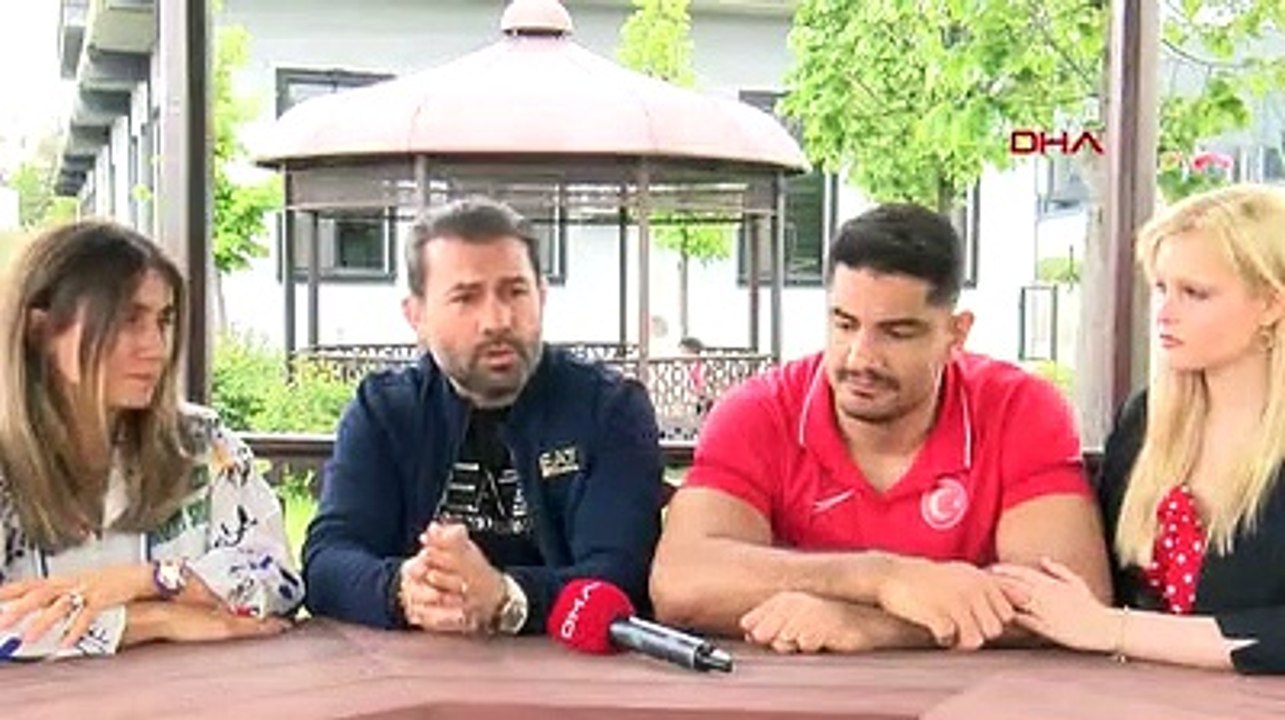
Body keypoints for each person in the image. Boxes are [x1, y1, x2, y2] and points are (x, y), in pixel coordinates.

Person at [650, 202, 1111, 654]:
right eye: (844, 324)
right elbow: (680, 585)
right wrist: (882, 578)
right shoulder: (758, 412)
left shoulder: (1019, 408)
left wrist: (875, 625)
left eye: (896, 333)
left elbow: (1072, 597)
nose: (860, 357)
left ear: (956, 333)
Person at [303, 197, 661, 636]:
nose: (497, 320)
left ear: (542, 296)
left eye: (515, 292)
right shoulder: (386, 411)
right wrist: (403, 590)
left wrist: (507, 597)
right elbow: (326, 561)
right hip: (412, 664)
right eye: (466, 298)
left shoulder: (608, 408)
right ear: (416, 315)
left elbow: (622, 573)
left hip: (569, 666)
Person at [994, 184, 1285, 674]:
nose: (1165, 313)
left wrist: (1115, 629)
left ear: (1272, 304)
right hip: (1133, 694)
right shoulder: (1144, 422)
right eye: (1161, 288)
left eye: (1195, 293)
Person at [0, 221, 300, 660]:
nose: (156, 347)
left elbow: (279, 580)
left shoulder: (204, 444)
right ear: (40, 330)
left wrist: (150, 580)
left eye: (163, 321)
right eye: (127, 320)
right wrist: (154, 620)